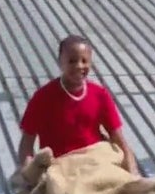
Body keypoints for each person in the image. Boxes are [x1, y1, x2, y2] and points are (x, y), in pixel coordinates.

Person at [18, 36, 142, 175]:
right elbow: (27, 144)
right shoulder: (43, 97)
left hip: (95, 160)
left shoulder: (99, 95)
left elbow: (118, 139)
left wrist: (133, 173)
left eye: (84, 61)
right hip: (60, 165)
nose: (79, 66)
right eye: (72, 61)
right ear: (60, 62)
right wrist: (28, 173)